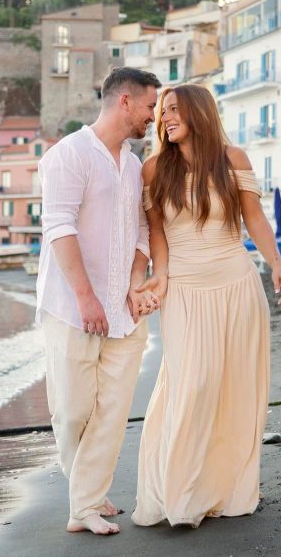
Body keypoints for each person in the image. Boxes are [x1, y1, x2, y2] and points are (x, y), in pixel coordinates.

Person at [132, 83, 281, 529]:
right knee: (194, 383)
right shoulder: (152, 170)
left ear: (200, 113)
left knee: (235, 388)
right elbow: (157, 234)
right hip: (184, 288)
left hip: (237, 284)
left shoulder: (233, 159)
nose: (165, 118)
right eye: (162, 111)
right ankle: (181, 492)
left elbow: (254, 218)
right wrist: (160, 277)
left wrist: (276, 266)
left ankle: (226, 490)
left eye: (174, 110)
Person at [36, 67, 162, 536]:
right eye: (150, 106)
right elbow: (59, 227)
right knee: (71, 412)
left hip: (124, 312)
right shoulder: (68, 154)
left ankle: (83, 506)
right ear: (125, 101)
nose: (154, 116)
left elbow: (143, 231)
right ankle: (85, 490)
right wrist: (87, 298)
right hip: (72, 308)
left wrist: (135, 281)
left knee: (111, 412)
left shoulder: (132, 165)